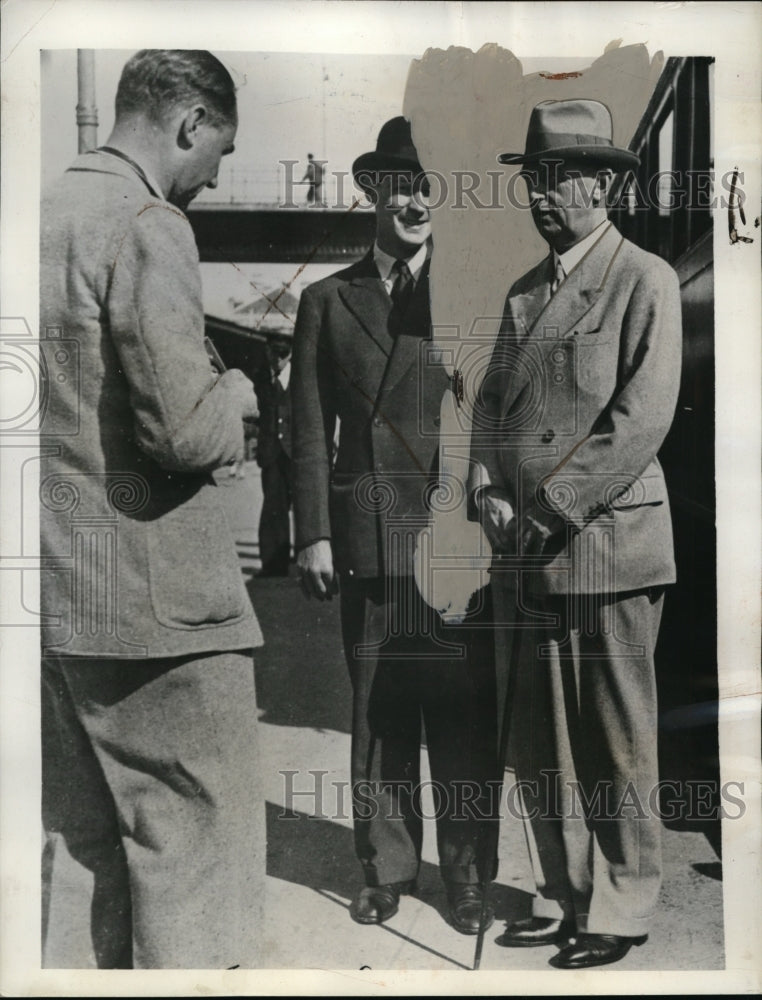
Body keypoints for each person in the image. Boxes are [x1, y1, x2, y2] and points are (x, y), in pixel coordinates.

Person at [40, 49, 265, 969]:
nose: (215, 175)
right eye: (221, 151)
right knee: (193, 861)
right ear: (189, 125)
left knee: (90, 854)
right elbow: (179, 431)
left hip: (58, 601)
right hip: (161, 617)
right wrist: (241, 398)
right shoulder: (148, 223)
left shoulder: (39, 214)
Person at [469, 99, 682, 969]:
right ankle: (570, 894)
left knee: (618, 739)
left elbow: (639, 420)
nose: (545, 196)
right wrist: (484, 487)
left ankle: (625, 906)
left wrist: (547, 510)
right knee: (546, 744)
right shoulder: (524, 293)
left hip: (608, 545)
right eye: (535, 180)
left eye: (561, 179)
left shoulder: (645, 280)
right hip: (525, 549)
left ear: (604, 183)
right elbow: (489, 409)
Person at [291, 116, 498, 936]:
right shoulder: (325, 300)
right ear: (373, 192)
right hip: (370, 538)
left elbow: (494, 418)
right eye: (401, 184)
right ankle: (385, 868)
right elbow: (306, 430)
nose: (415, 200)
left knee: (459, 714)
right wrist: (314, 532)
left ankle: (471, 875)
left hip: (451, 541)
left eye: (429, 186)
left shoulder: (471, 295)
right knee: (380, 712)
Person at [253, 331, 294, 576]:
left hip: (296, 453)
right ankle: (274, 564)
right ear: (266, 351)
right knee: (273, 508)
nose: (277, 360)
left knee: (308, 509)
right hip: (272, 455)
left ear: (291, 354)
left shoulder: (301, 378)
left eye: (283, 354)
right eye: (273, 353)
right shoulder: (259, 378)